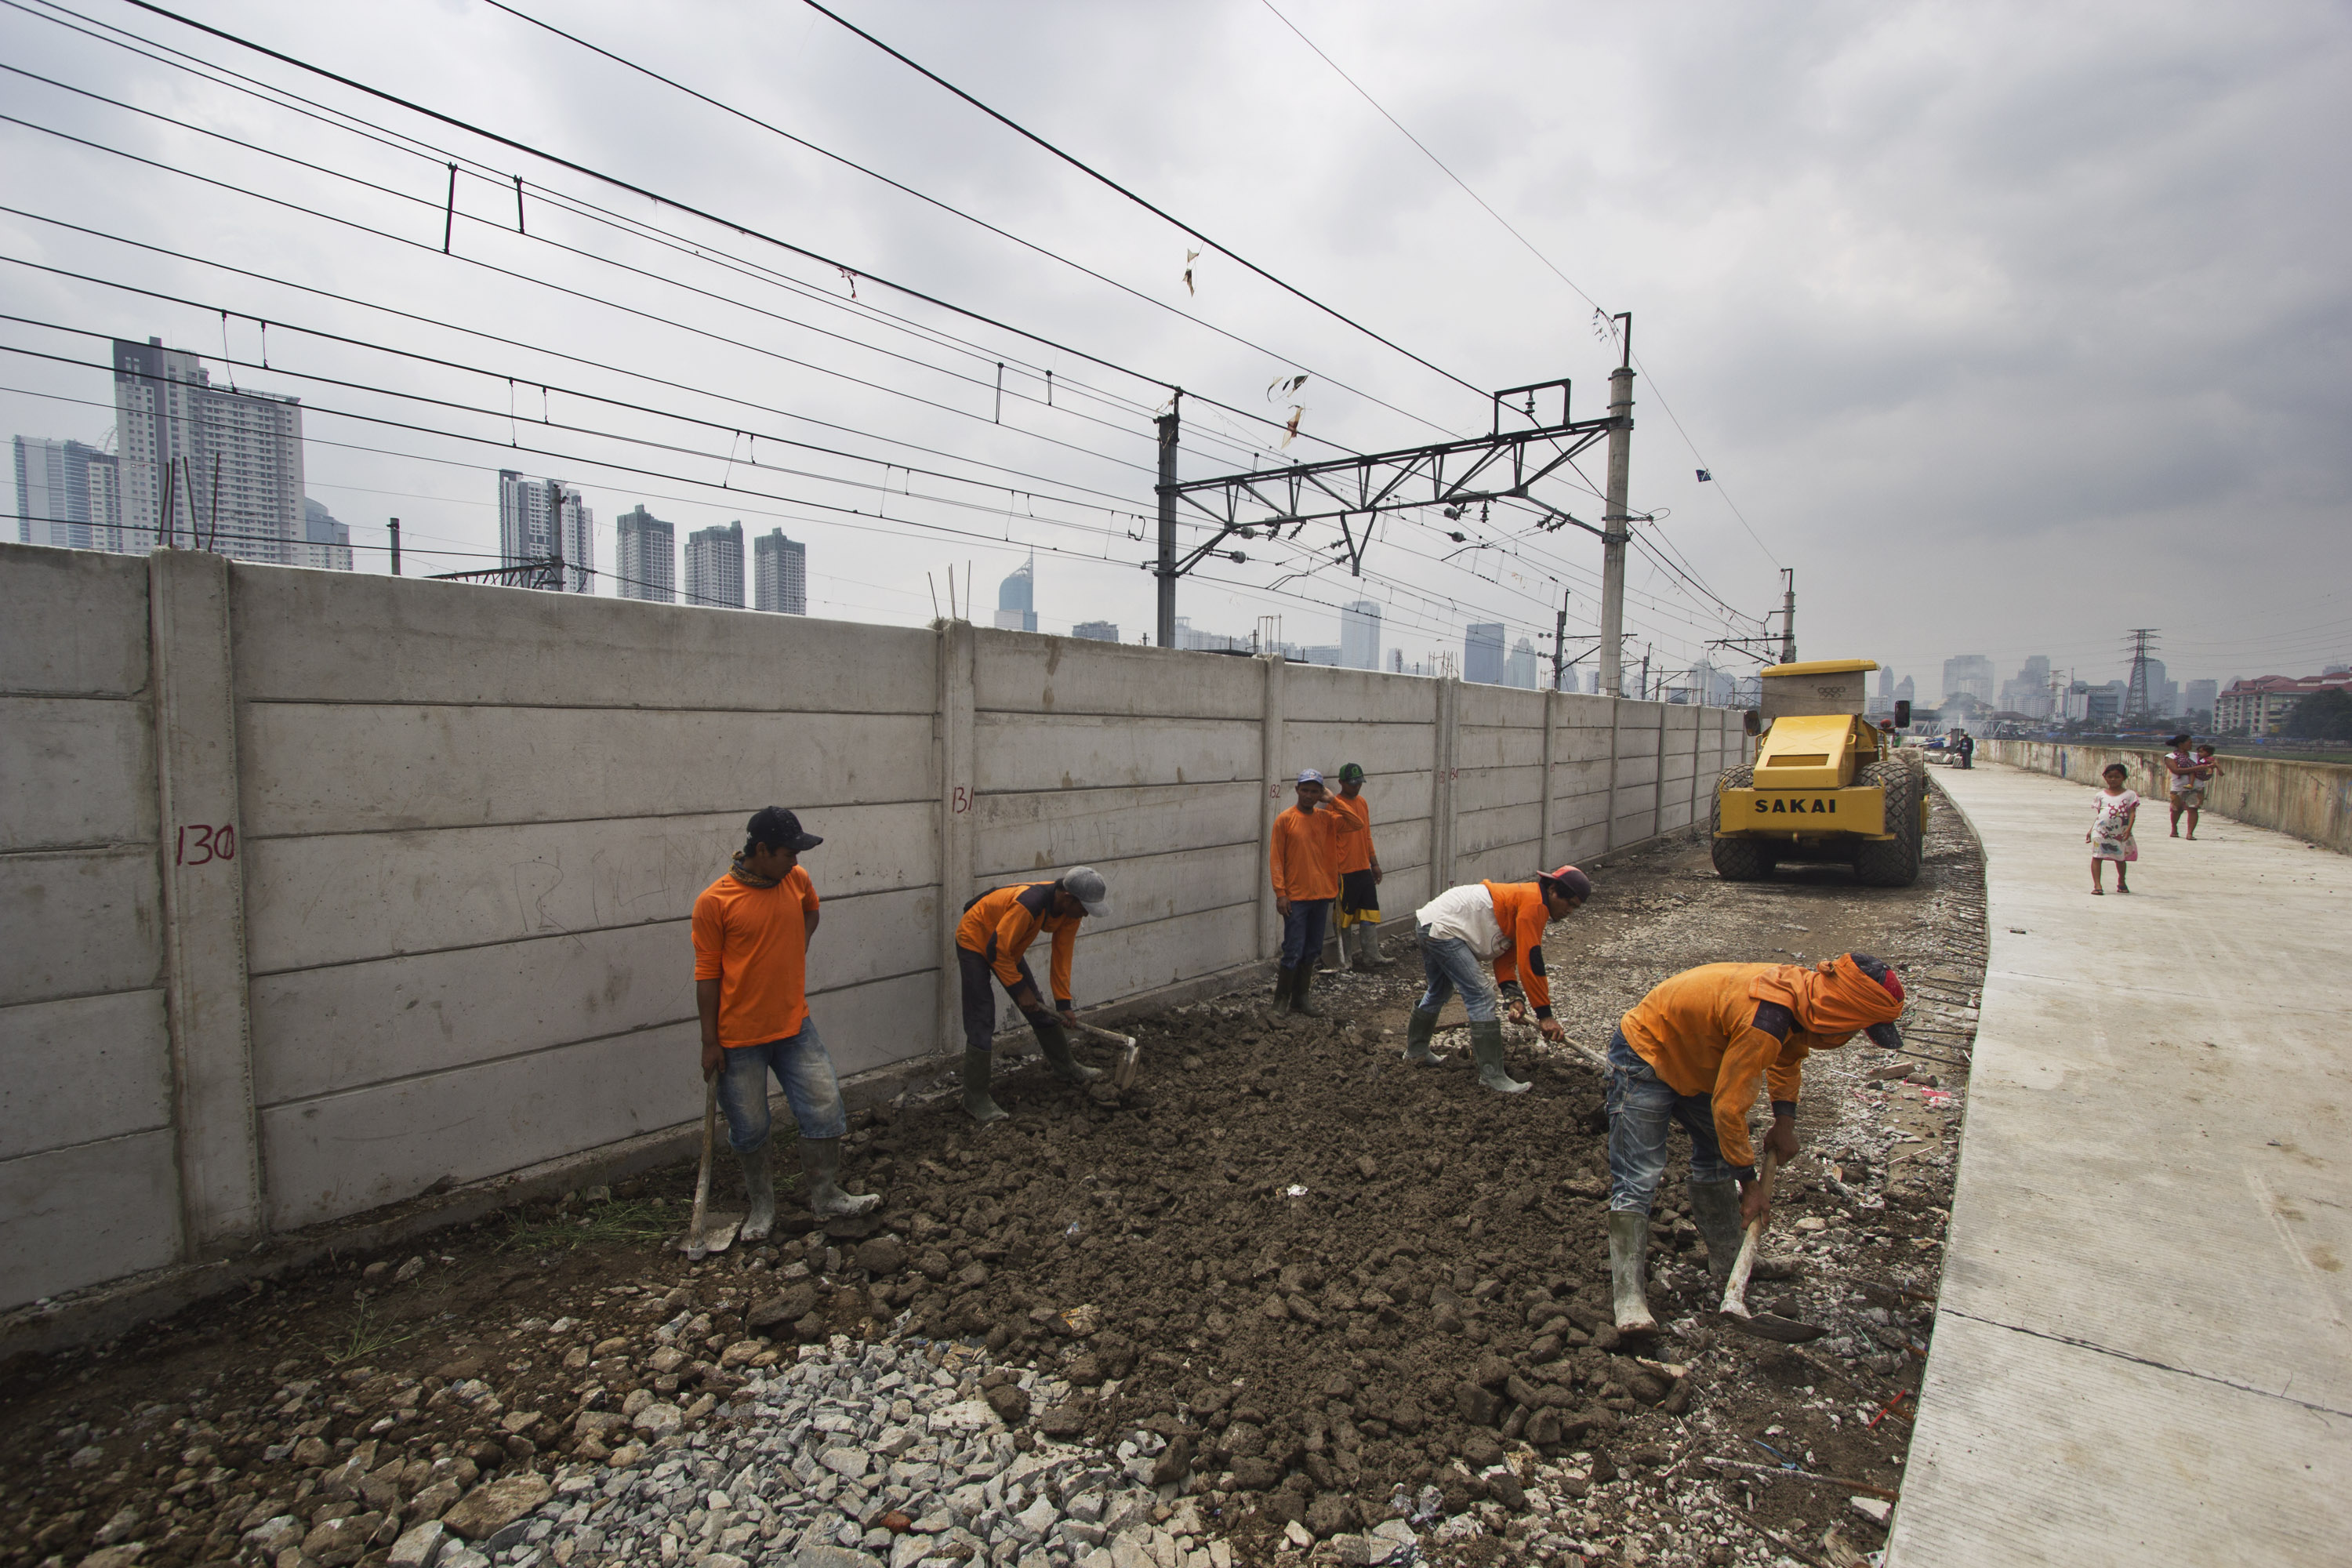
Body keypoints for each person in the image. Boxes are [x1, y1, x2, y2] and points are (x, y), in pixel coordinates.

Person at [1603, 954, 1907, 1332]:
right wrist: (1750, 1187)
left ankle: (1730, 1262)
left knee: (1716, 1155)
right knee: (1639, 1176)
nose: (1850, 1037)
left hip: (1703, 1055)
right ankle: (1629, 1298)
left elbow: (1787, 1057)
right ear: (1845, 1011)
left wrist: (1785, 1121)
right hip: (1647, 1052)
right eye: (1860, 1026)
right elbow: (1729, 1109)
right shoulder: (1768, 1016)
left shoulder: (1805, 998)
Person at [691, 807, 880, 1236]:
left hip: (795, 1026)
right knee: (751, 1126)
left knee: (824, 1106)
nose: (796, 861)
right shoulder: (714, 902)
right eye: (788, 853)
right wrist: (709, 1042)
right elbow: (707, 976)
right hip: (739, 1038)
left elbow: (811, 911)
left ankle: (826, 1196)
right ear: (761, 850)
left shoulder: (796, 880)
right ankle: (762, 1207)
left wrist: (799, 945)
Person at [1404, 866, 1592, 1093]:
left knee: (1440, 990)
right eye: (1569, 903)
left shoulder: (1528, 900)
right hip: (1443, 927)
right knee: (1481, 995)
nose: (1570, 911)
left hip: (1429, 921)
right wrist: (1545, 1015)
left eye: (1575, 907)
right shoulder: (1535, 905)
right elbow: (1531, 963)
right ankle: (1492, 1077)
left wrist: (1514, 998)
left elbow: (1507, 958)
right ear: (1553, 890)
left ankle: (1416, 1051)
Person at [955, 868, 1112, 1123]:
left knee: (1037, 1007)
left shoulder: (1070, 913)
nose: (1085, 914)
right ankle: (974, 1099)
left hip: (1007, 946)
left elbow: (1062, 955)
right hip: (976, 939)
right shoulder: (1030, 903)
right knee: (982, 1017)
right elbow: (996, 950)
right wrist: (1019, 989)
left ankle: (1066, 1068)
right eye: (1084, 908)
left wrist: (1063, 1004)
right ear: (1068, 897)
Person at [1269, 768, 1365, 1018]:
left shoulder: (1328, 819)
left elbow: (1357, 823)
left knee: (1312, 949)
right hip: (1296, 898)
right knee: (1293, 949)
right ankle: (1280, 1002)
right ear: (1297, 790)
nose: (1310, 796)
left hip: (1322, 895)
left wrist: (1333, 800)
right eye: (1306, 790)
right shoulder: (1285, 820)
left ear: (1320, 793)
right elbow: (1276, 858)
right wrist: (1281, 893)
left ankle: (1301, 998)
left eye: (1315, 791)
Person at [1330, 763, 1391, 971]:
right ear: (1341, 783)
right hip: (1344, 871)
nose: (1357, 787)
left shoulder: (1362, 803)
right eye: (1352, 783)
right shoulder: (1334, 805)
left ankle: (1371, 955)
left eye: (1359, 783)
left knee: (1369, 913)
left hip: (1363, 868)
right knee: (1344, 917)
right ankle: (1345, 959)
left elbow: (1366, 835)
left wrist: (1374, 863)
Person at [2089, 762, 2139, 894]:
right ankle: (2097, 886)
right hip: (2101, 831)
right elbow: (2100, 815)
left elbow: (2132, 813)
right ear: (2105, 777)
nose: (2113, 780)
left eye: (2117, 777)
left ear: (2124, 778)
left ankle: (2122, 881)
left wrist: (2128, 829)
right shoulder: (2101, 795)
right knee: (2097, 856)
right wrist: (2091, 830)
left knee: (2120, 858)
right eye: (2110, 777)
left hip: (2120, 832)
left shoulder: (2130, 795)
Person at [2160, 734, 2204, 838]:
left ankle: (2190, 833)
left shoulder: (2196, 756)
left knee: (2193, 808)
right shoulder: (2170, 757)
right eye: (2189, 742)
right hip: (2179, 787)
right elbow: (2175, 770)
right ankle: (2174, 828)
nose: (2191, 744)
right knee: (2177, 809)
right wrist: (2196, 768)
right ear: (2181, 744)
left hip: (2196, 786)